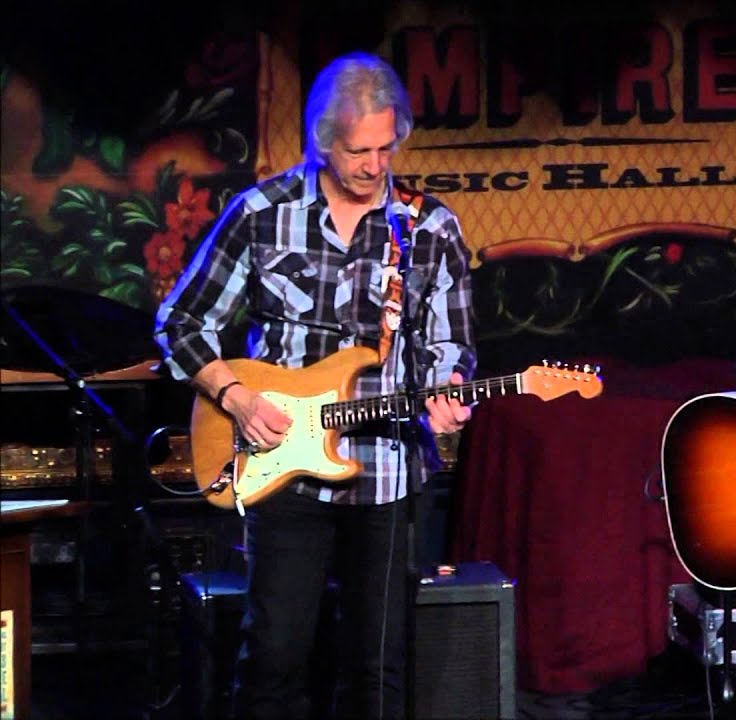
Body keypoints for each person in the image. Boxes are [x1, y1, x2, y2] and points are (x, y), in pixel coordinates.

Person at [156, 51, 476, 720]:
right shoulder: (262, 214)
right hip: (284, 472)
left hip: (388, 475)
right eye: (360, 150)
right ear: (323, 141)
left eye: (388, 148)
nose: (375, 165)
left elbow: (453, 344)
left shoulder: (430, 228)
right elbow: (181, 322)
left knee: (377, 670)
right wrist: (238, 400)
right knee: (273, 657)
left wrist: (450, 390)